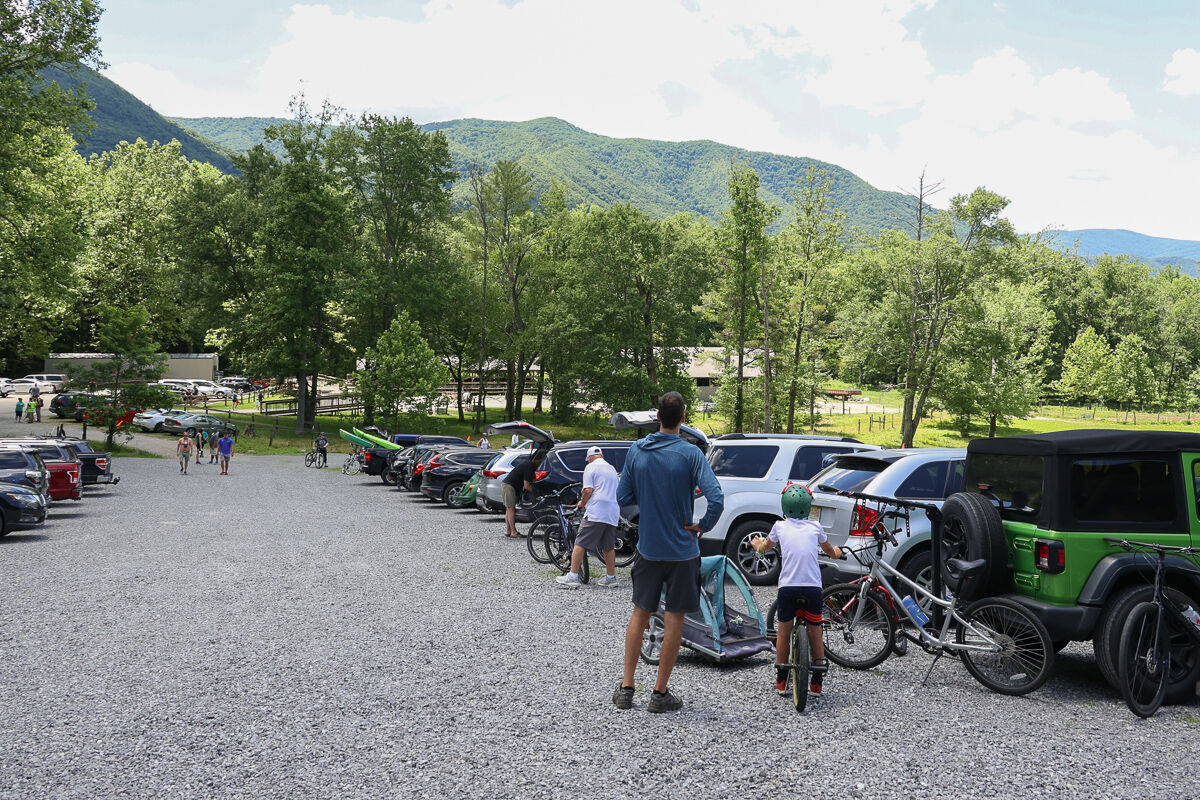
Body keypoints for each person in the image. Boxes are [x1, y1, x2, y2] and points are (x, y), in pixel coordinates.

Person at [613, 392, 723, 713]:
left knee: (640, 613)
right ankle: (660, 693)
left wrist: (648, 504)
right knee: (674, 618)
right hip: (683, 553)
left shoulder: (638, 451)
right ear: (683, 419)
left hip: (648, 549)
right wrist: (703, 526)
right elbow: (716, 498)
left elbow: (623, 496)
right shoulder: (691, 455)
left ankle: (626, 688)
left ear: (657, 417)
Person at [750, 484, 843, 697]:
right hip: (812, 589)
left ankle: (782, 679)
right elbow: (831, 551)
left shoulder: (779, 526)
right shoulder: (815, 527)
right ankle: (817, 681)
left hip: (788, 589)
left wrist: (757, 544)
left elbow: (765, 547)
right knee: (815, 632)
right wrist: (837, 552)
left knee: (783, 632)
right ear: (808, 507)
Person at [557, 446, 620, 589]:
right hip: (613, 510)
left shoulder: (590, 467)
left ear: (590, 457)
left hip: (597, 510)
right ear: (602, 456)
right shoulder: (611, 469)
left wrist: (581, 503)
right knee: (608, 546)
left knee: (580, 543)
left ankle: (572, 576)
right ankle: (611, 578)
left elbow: (588, 490)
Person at [502, 449, 543, 538]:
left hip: (507, 484)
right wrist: (537, 493)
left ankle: (509, 531)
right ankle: (513, 532)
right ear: (538, 460)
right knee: (511, 509)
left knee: (509, 509)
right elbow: (527, 486)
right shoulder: (529, 467)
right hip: (509, 486)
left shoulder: (528, 464)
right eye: (541, 462)